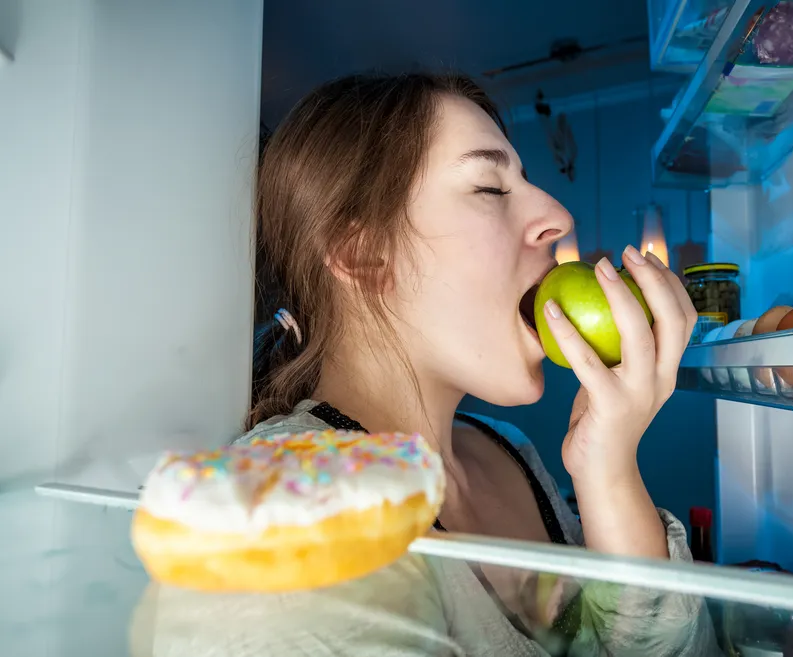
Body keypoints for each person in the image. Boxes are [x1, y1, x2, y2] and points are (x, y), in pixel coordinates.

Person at [236, 72, 715, 656]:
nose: (559, 217)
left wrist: (610, 471)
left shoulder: (507, 449)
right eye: (489, 188)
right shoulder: (286, 511)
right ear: (362, 255)